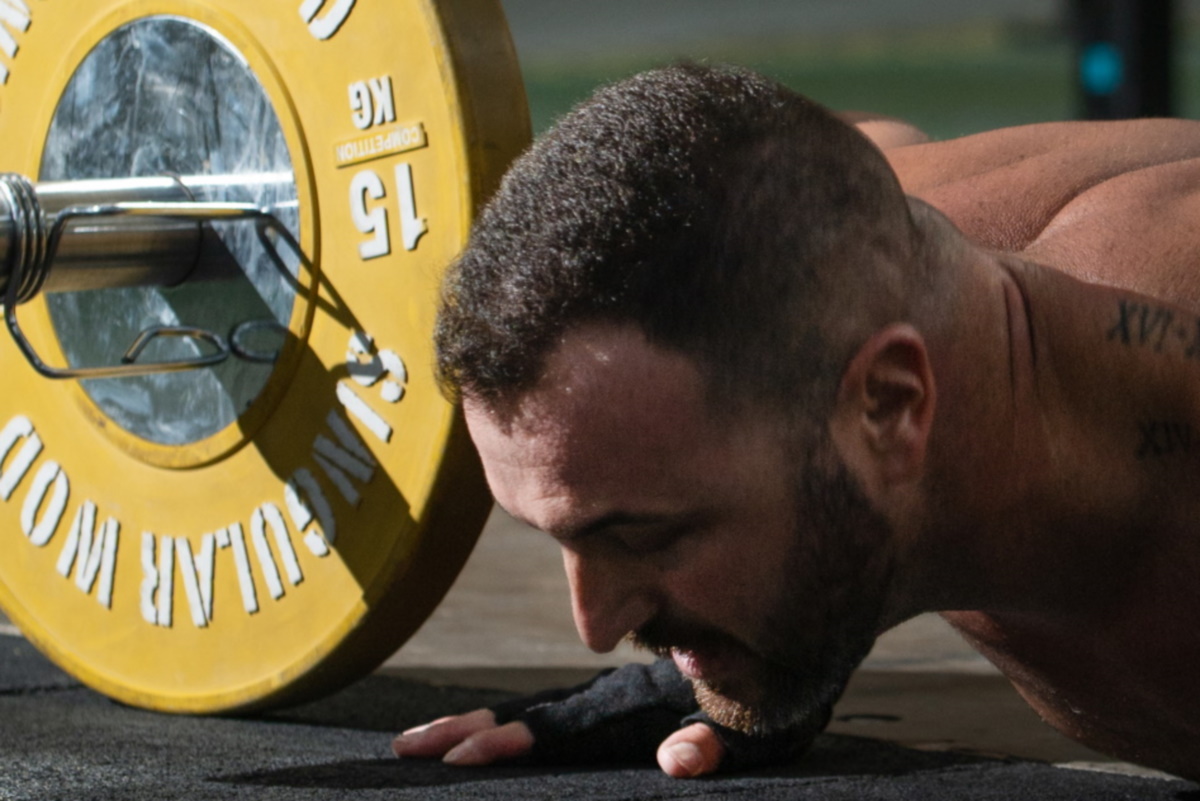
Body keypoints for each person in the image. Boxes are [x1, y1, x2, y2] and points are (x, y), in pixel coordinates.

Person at [391, 63, 1200, 781]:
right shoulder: (843, 238)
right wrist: (771, 640)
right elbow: (809, 137)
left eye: (644, 535)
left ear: (891, 406)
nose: (596, 630)